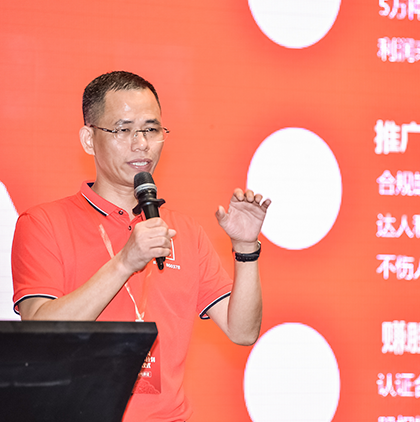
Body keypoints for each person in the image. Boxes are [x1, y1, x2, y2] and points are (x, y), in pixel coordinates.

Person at [11, 71, 270, 421]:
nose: (141, 144)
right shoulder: (43, 223)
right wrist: (124, 263)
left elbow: (243, 331)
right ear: (89, 139)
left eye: (151, 129)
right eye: (123, 130)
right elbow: (38, 336)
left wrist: (246, 248)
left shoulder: (184, 231)